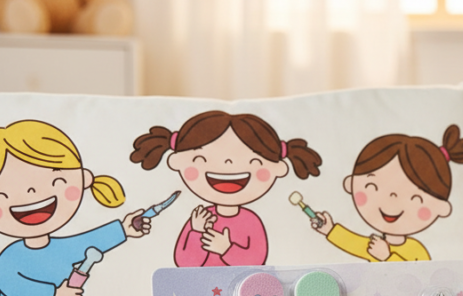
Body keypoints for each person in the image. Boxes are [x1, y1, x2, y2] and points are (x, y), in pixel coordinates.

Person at [0, 119, 150, 296]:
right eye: (1, 193)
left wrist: (124, 229)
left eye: (56, 180)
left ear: (83, 179)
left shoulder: (62, 247)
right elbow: (9, 283)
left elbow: (88, 241)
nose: (31, 192)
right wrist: (54, 295)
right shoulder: (11, 257)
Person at [131, 110, 321, 266]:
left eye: (253, 161)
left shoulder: (251, 221)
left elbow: (257, 260)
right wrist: (196, 232)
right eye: (201, 159)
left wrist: (226, 249)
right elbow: (184, 264)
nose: (228, 162)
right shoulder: (200, 218)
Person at [310, 125, 463, 261]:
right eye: (373, 187)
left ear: (440, 207)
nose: (392, 200)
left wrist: (387, 257)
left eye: (415, 198)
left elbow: (420, 280)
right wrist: (330, 230)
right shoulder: (376, 244)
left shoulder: (416, 250)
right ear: (351, 184)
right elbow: (354, 244)